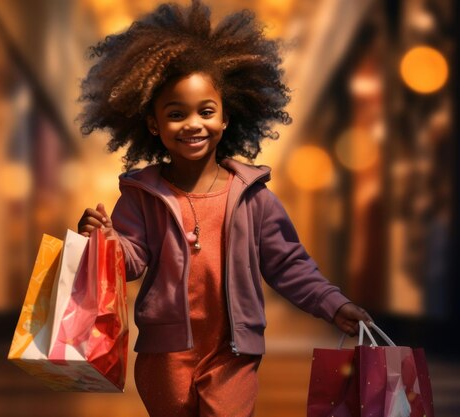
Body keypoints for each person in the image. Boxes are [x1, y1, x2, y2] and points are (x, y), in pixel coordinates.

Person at [77, 1, 373, 416]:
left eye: (206, 111)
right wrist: (106, 241)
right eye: (176, 114)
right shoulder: (142, 196)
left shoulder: (254, 198)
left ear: (227, 116)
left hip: (234, 351)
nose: (193, 124)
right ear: (153, 124)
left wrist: (333, 304)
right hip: (165, 354)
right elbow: (132, 262)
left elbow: (288, 264)